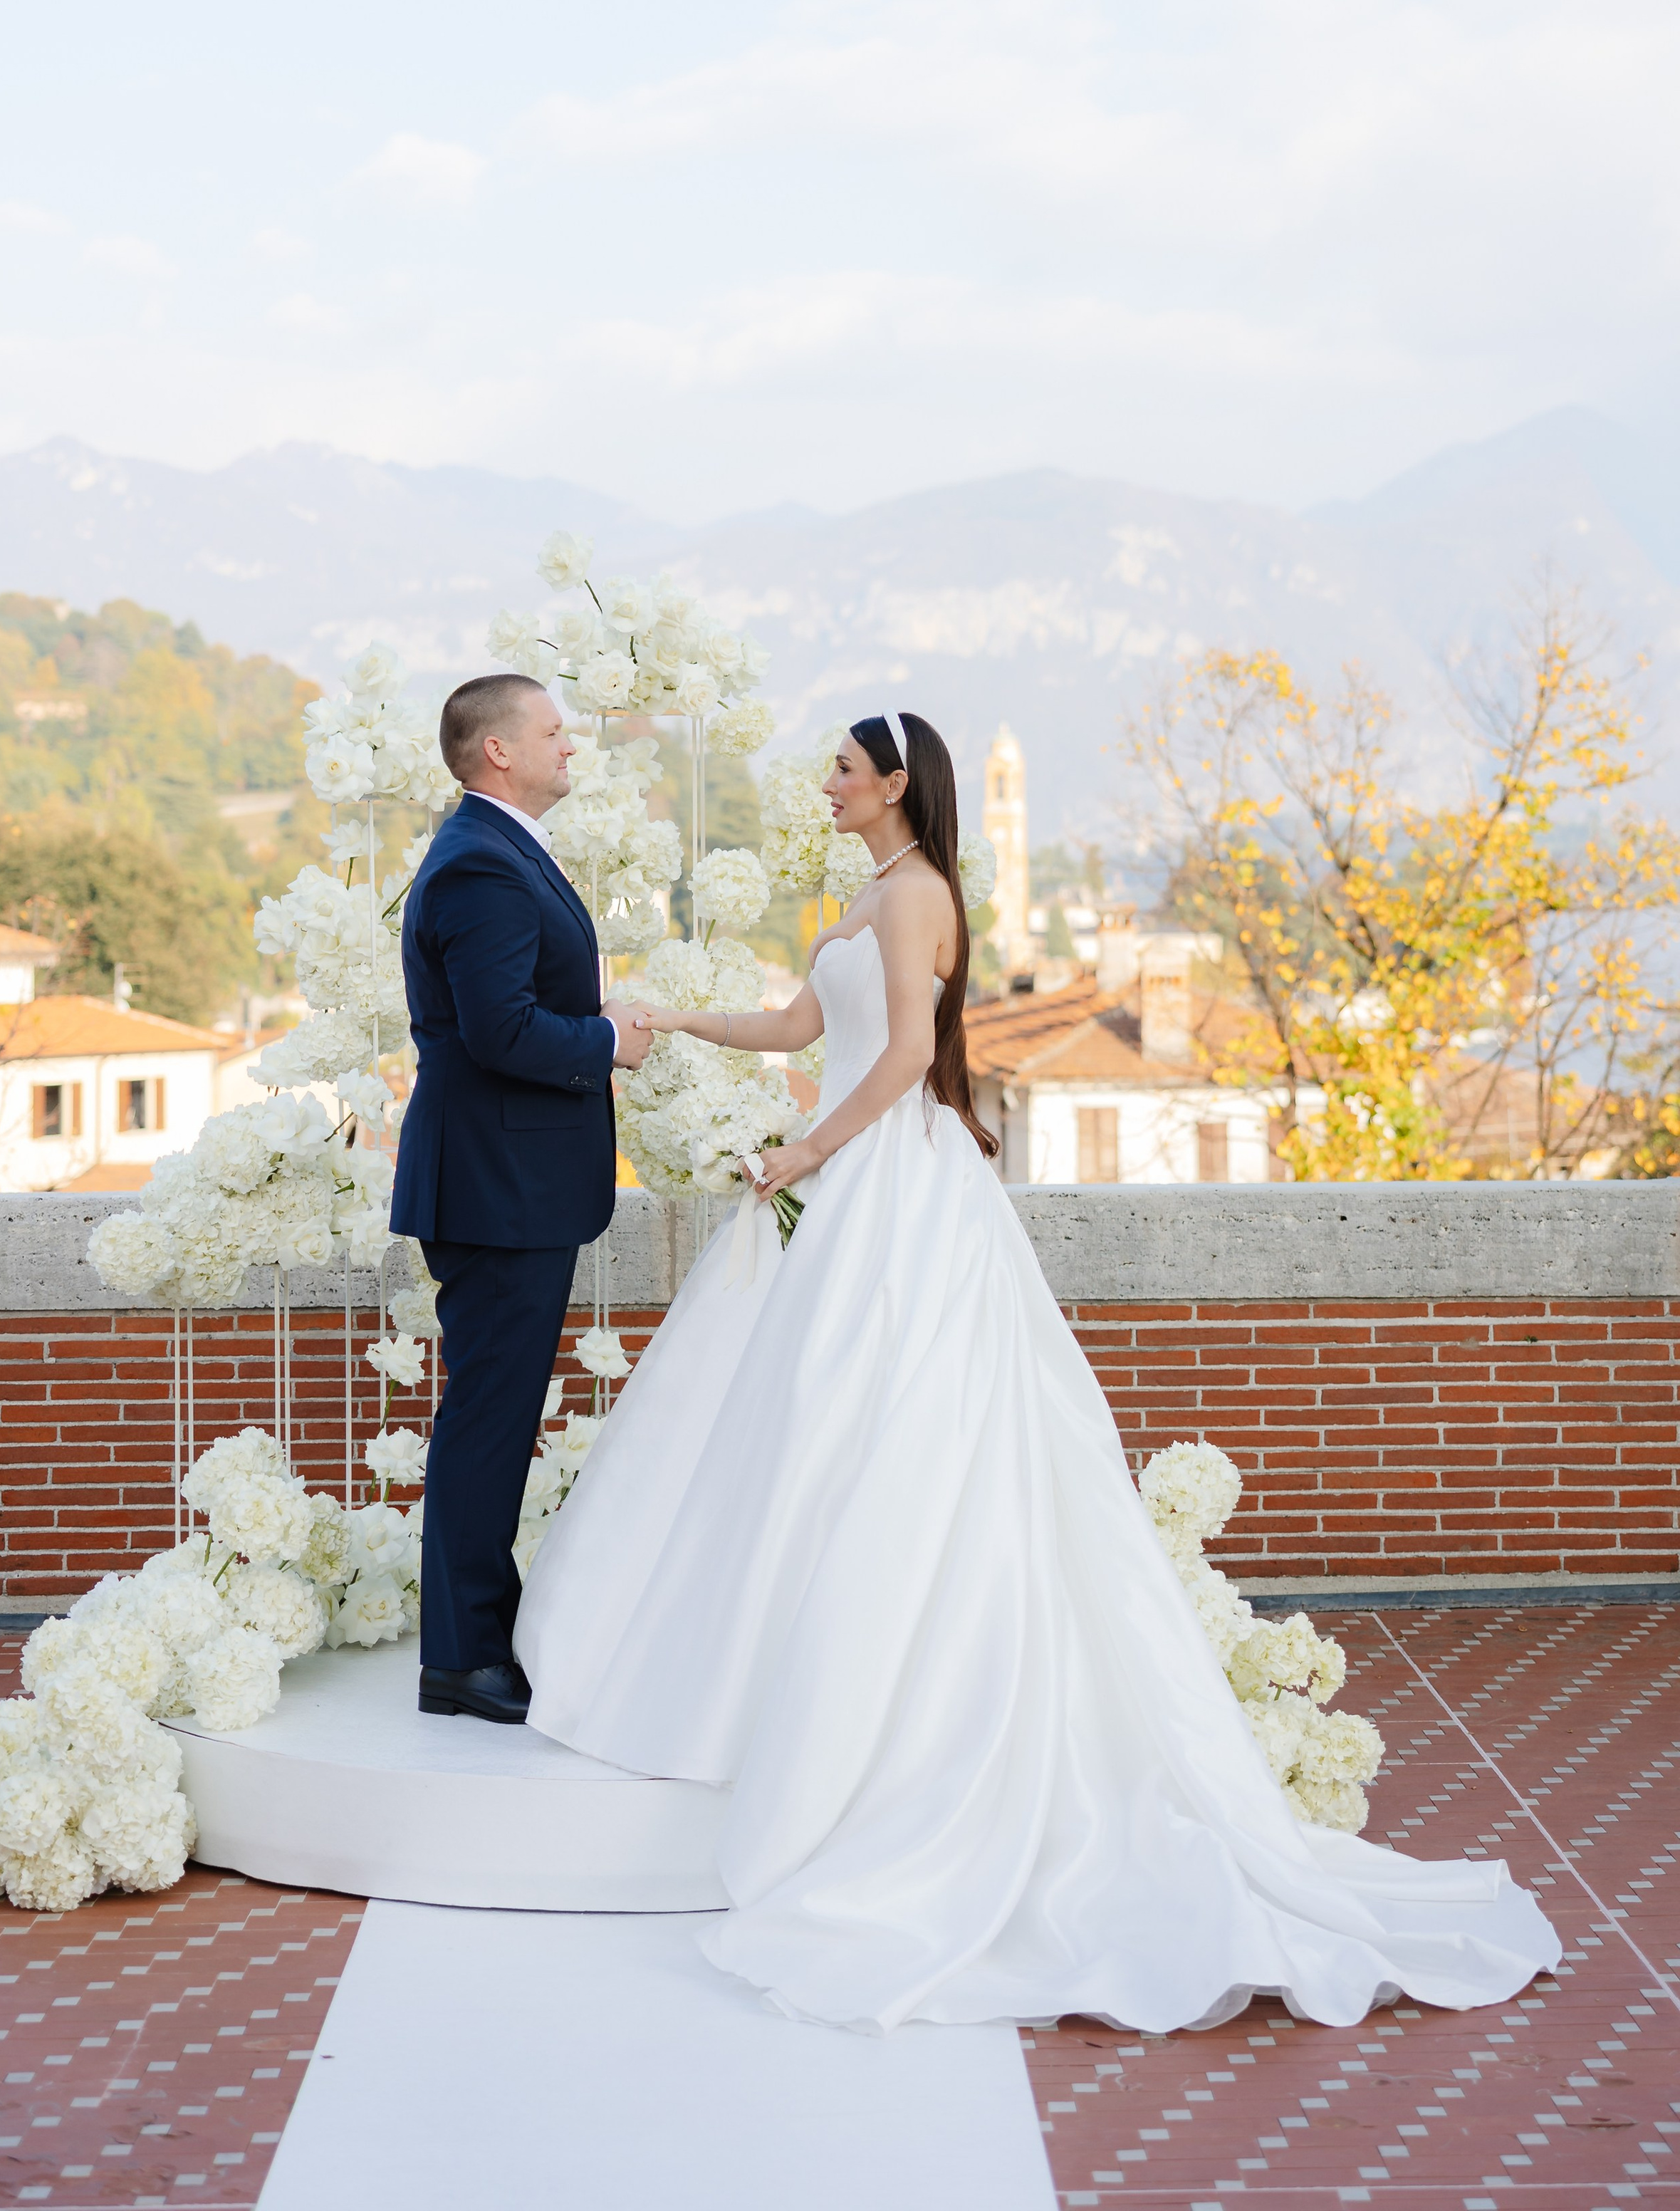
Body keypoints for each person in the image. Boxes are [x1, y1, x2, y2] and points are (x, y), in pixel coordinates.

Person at [513, 709, 1561, 2035]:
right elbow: (795, 1022)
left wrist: (802, 1157)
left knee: (882, 1434)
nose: (825, 783)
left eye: (842, 767)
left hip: (892, 1193)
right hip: (857, 1187)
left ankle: (889, 1722)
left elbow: (901, 1057)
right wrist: (669, 1013)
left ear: (896, 782)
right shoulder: (869, 890)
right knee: (802, 1433)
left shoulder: (920, 897)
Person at [389, 672, 653, 1724]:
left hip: (513, 1180)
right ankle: (462, 1656)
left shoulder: (498, 851)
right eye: (553, 730)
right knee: (490, 1421)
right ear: (498, 750)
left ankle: (475, 1640)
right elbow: (499, 1031)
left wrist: (590, 1011)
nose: (570, 744)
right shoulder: (481, 867)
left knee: (493, 1414)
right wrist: (608, 1042)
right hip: (499, 1188)